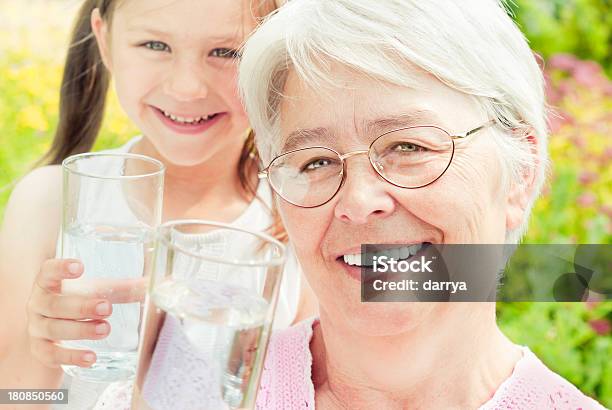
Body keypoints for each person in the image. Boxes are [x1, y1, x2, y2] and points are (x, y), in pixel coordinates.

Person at [236, 0, 608, 408]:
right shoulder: (215, 389)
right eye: (316, 162)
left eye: (408, 146)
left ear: (520, 173)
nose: (359, 202)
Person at [0, 0, 315, 408]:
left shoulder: (309, 214)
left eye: (226, 52)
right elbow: (14, 396)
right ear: (105, 41)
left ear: (276, 59)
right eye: (154, 45)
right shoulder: (48, 204)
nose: (187, 87)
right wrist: (39, 351)